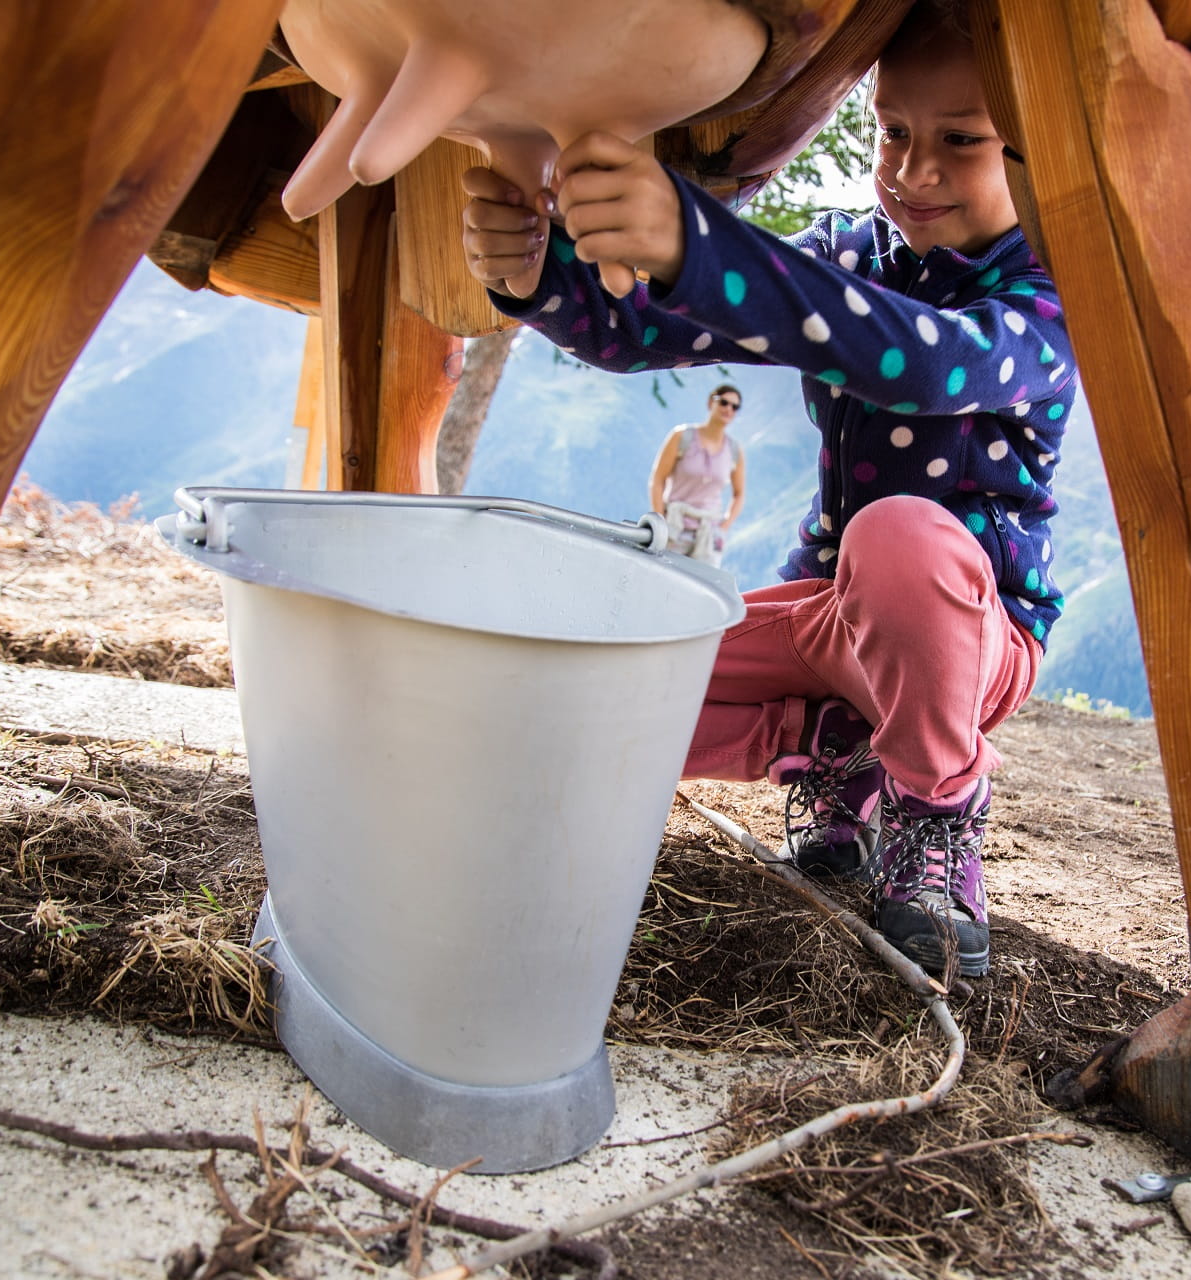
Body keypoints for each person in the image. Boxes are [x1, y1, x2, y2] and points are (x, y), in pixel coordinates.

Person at [460, 0, 1076, 977]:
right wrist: (541, 278)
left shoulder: (1051, 293)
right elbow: (648, 332)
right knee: (606, 685)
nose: (913, 171)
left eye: (961, 142)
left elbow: (922, 364)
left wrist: (702, 243)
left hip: (976, 634)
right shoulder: (847, 252)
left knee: (902, 536)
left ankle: (935, 809)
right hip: (830, 617)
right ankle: (836, 744)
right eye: (893, 132)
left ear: (1035, 153)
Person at [649, 384, 748, 565]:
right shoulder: (682, 436)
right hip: (674, 527)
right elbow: (658, 478)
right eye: (724, 402)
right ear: (711, 402)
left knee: (701, 590)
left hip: (708, 532)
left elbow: (739, 493)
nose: (728, 409)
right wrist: (659, 519)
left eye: (734, 407)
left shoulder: (734, 450)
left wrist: (724, 526)